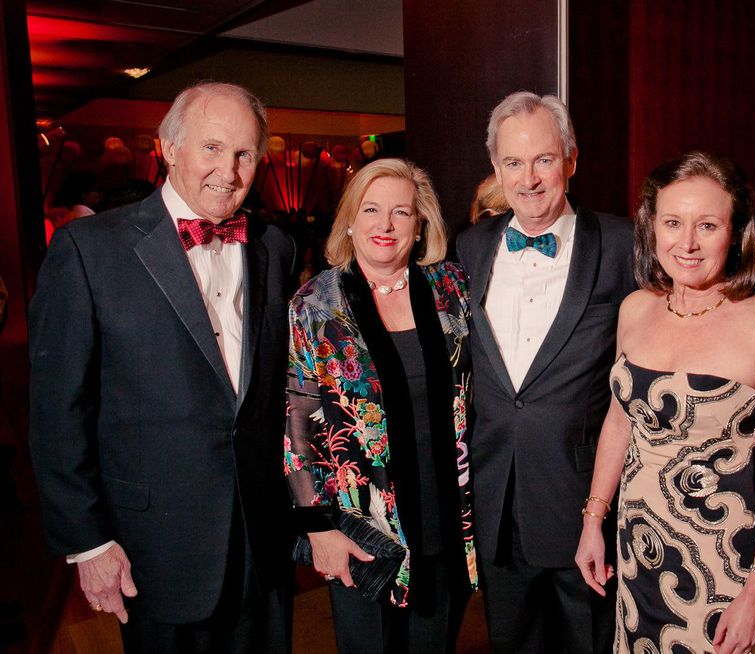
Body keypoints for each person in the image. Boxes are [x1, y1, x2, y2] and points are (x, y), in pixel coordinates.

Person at [29, 82, 295, 653]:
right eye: (212, 148)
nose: (229, 170)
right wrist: (89, 543)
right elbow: (57, 412)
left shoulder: (275, 246)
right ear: (168, 149)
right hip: (155, 545)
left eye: (246, 153)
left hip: (261, 542)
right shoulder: (88, 250)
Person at [574, 151, 755, 654]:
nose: (686, 243)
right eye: (673, 222)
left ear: (736, 231)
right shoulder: (635, 309)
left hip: (723, 565)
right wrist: (594, 520)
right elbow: (621, 422)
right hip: (639, 551)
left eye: (707, 225)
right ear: (651, 226)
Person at [456, 91, 635, 652]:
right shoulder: (470, 246)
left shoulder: (623, 244)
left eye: (544, 160)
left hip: (583, 505)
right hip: (497, 503)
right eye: (513, 162)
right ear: (496, 169)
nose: (528, 178)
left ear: (571, 160)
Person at [284, 158, 478, 653]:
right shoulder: (316, 305)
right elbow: (295, 424)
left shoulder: (452, 289)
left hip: (445, 518)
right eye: (371, 210)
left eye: (401, 212)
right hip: (360, 532)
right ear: (350, 220)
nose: (385, 225)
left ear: (420, 225)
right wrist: (317, 527)